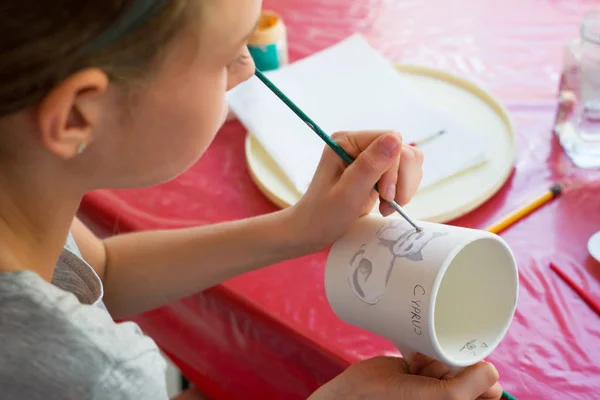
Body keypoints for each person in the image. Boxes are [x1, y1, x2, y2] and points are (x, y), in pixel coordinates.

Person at [0, 0, 503, 399]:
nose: (245, 71)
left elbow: (100, 271)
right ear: (76, 117)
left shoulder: (19, 193)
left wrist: (298, 229)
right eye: (226, 57)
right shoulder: (88, 372)